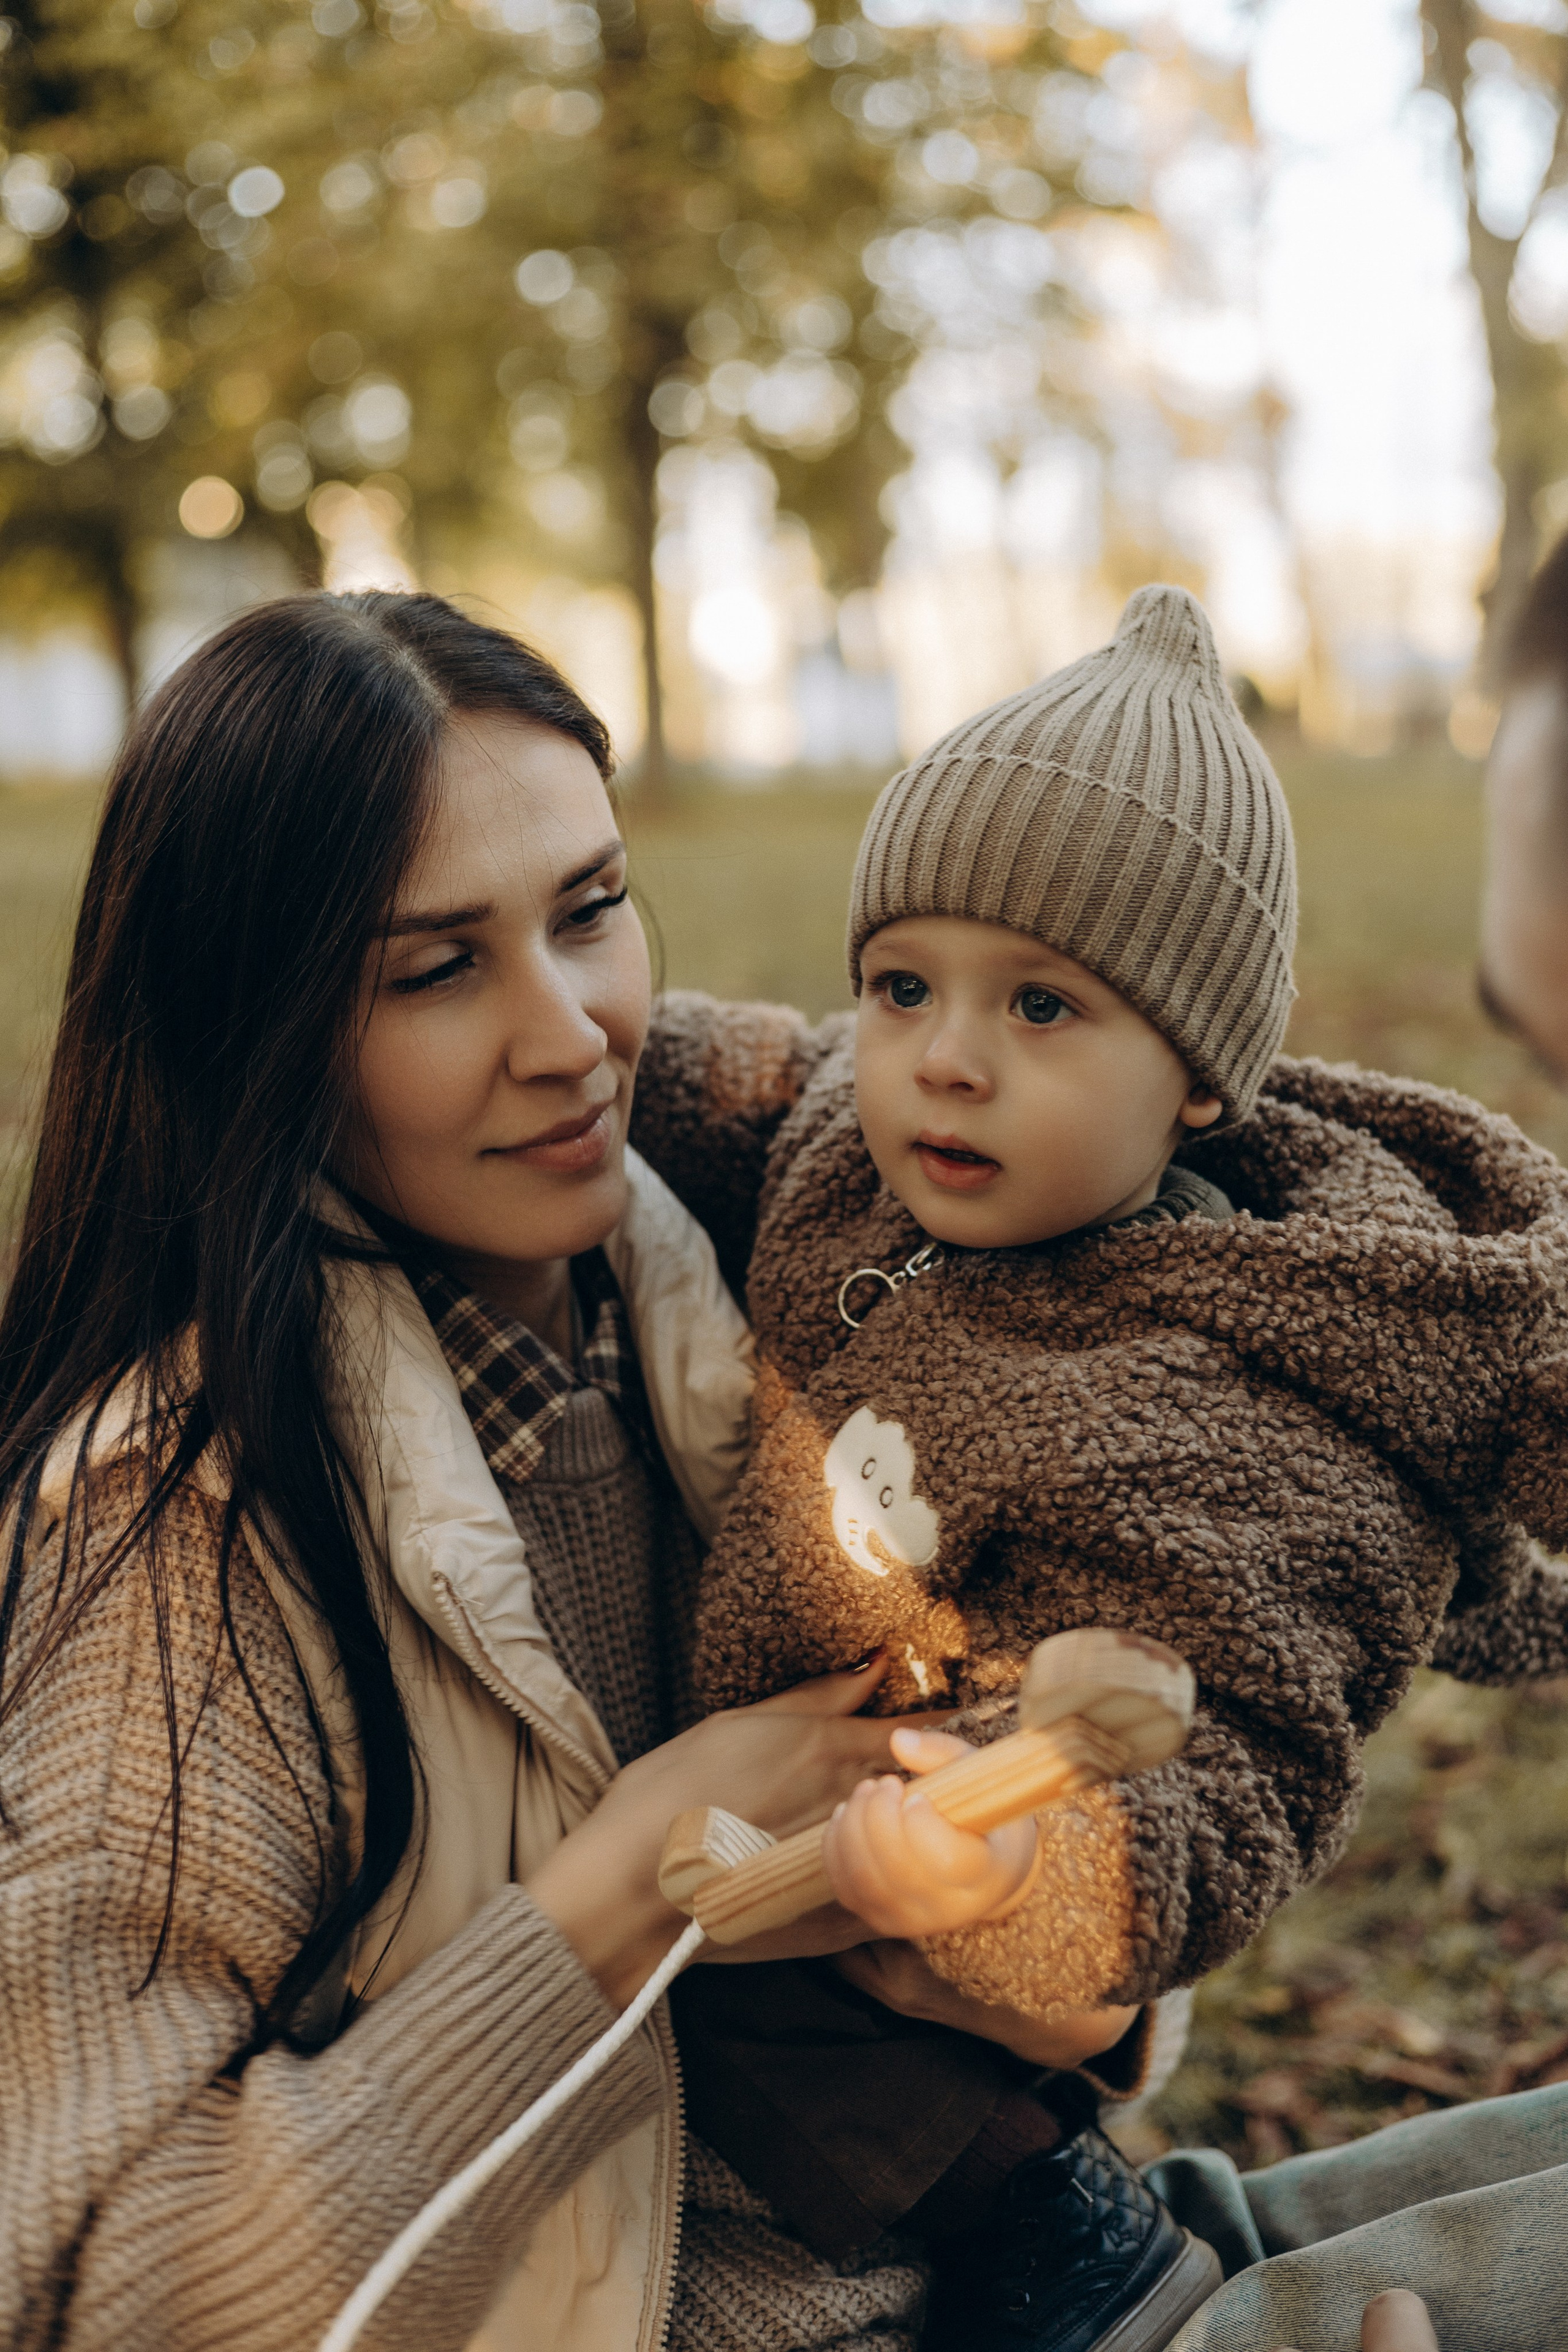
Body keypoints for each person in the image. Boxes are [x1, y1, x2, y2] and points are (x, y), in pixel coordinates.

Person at [0, 590, 1133, 2352]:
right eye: (436, 968)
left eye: (591, 911)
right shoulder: (176, 1550)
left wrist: (1032, 1972)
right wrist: (621, 1894)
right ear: (257, 1029)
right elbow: (101, 2294)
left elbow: (1077, 1963)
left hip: (1052, 2264)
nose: (573, 1031)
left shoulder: (785, 1295)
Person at [628, 584, 1568, 2352]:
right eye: (903, 982)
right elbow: (728, 1072)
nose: (946, 1058)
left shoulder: (1252, 1400)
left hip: (957, 1988)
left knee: (945, 2161)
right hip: (767, 1912)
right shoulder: (861, 1134)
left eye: (1044, 1007)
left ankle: (1117, 2284)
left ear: (1202, 1079)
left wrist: (1028, 1882)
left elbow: (1237, 1775)